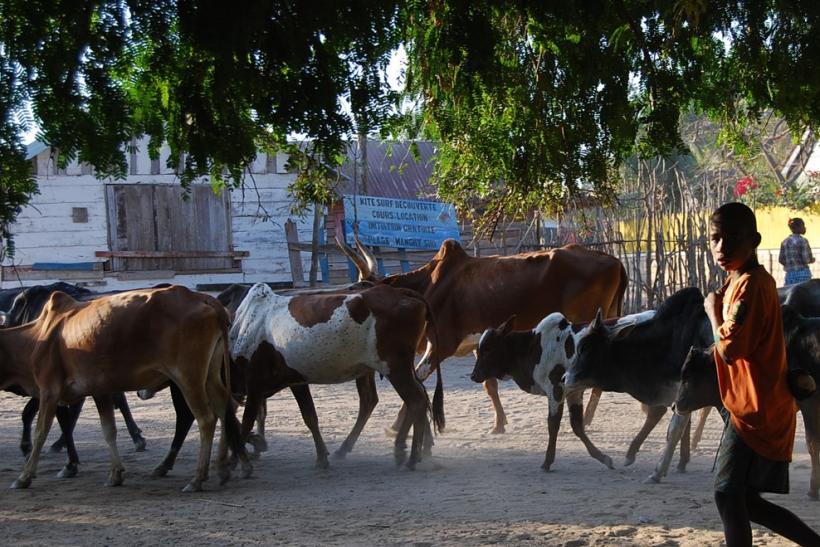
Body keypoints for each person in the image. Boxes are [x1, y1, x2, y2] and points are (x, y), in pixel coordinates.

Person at [705, 202, 820, 547]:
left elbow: (728, 350)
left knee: (727, 495)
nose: (722, 247)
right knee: (746, 501)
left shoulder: (751, 286)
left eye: (733, 238)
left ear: (754, 240)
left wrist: (712, 313)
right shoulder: (740, 280)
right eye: (715, 239)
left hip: (755, 411)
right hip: (758, 405)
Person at [779, 217, 815, 286]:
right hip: (803, 275)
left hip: (790, 276)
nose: (805, 228)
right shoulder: (803, 241)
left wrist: (790, 264)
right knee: (804, 295)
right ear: (798, 228)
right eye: (803, 226)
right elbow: (806, 260)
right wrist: (811, 260)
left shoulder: (784, 242)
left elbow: (781, 260)